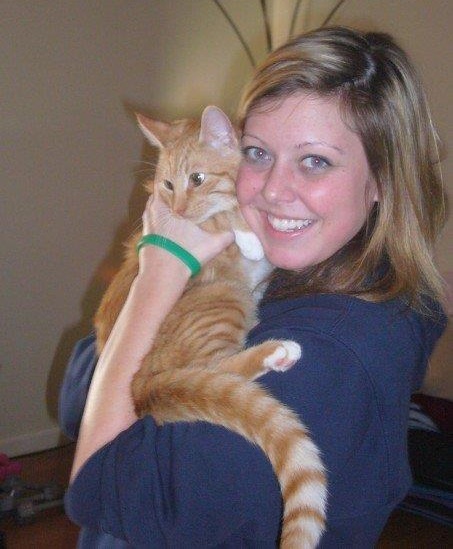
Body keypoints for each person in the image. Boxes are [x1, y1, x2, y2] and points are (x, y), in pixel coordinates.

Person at [59, 26, 448, 547]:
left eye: (315, 161)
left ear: (382, 180)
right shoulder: (300, 267)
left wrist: (159, 274)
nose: (271, 191)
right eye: (258, 153)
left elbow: (95, 487)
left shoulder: (325, 356)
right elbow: (77, 388)